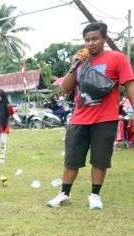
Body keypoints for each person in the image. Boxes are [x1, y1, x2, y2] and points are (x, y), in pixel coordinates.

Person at [47, 22, 134, 209]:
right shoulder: (80, 62)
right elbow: (65, 89)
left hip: (105, 118)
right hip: (79, 118)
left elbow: (129, 85)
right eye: (87, 40)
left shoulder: (117, 58)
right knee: (72, 159)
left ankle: (95, 195)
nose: (91, 43)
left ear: (104, 39)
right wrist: (74, 65)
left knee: (100, 159)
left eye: (95, 39)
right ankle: (64, 194)